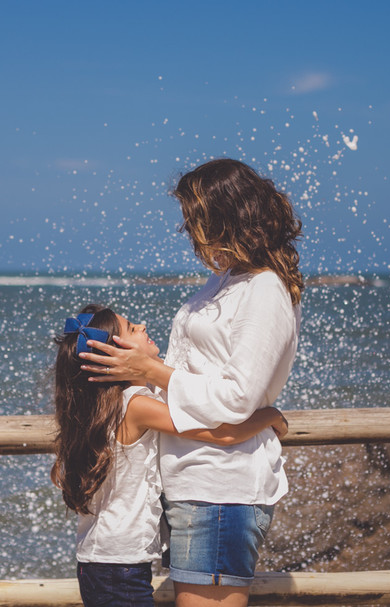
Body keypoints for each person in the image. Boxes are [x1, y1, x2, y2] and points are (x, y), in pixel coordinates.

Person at [80, 158, 302, 607]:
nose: (187, 228)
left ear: (223, 214)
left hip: (220, 486)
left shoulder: (264, 290)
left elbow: (237, 397)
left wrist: (151, 373)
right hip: (196, 485)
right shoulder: (227, 281)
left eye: (193, 216)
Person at [52, 304, 289, 607]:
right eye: (131, 329)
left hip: (99, 561)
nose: (142, 324)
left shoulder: (99, 408)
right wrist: (270, 415)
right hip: (120, 566)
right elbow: (223, 433)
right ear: (115, 354)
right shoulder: (137, 405)